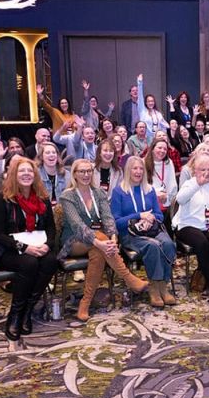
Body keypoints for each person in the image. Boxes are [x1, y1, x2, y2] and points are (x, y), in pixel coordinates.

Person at [59, 159, 149, 320]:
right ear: (74, 174)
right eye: (82, 171)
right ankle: (129, 279)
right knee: (100, 241)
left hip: (98, 243)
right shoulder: (68, 196)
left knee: (98, 252)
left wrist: (113, 238)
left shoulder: (99, 193)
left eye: (89, 171)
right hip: (73, 240)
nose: (86, 175)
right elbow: (77, 225)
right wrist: (100, 241)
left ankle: (85, 303)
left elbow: (108, 218)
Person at [0, 157, 58, 342]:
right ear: (13, 175)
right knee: (29, 263)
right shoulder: (3, 199)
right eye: (21, 171)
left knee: (51, 260)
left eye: (30, 171)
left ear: (35, 175)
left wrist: (47, 245)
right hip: (6, 250)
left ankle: (27, 310)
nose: (26, 174)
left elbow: (51, 228)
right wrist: (24, 248)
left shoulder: (42, 198)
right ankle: (15, 314)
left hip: (36, 245)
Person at [110, 157, 176, 308]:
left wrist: (150, 218)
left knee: (167, 243)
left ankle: (163, 286)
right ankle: (154, 288)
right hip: (130, 234)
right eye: (134, 168)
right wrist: (139, 216)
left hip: (151, 230)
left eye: (141, 168)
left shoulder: (150, 190)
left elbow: (159, 215)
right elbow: (117, 221)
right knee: (153, 247)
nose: (138, 172)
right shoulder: (119, 192)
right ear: (128, 171)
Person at [173, 155, 209, 301]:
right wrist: (197, 184)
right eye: (202, 169)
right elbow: (180, 199)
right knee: (202, 243)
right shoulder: (190, 185)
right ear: (195, 170)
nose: (206, 172)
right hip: (187, 225)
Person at [144, 137, 178, 232]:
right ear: (153, 148)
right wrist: (156, 194)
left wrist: (167, 197)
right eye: (159, 148)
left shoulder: (169, 163)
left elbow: (173, 185)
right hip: (149, 203)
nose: (162, 151)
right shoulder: (143, 162)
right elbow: (142, 185)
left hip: (166, 202)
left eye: (165, 149)